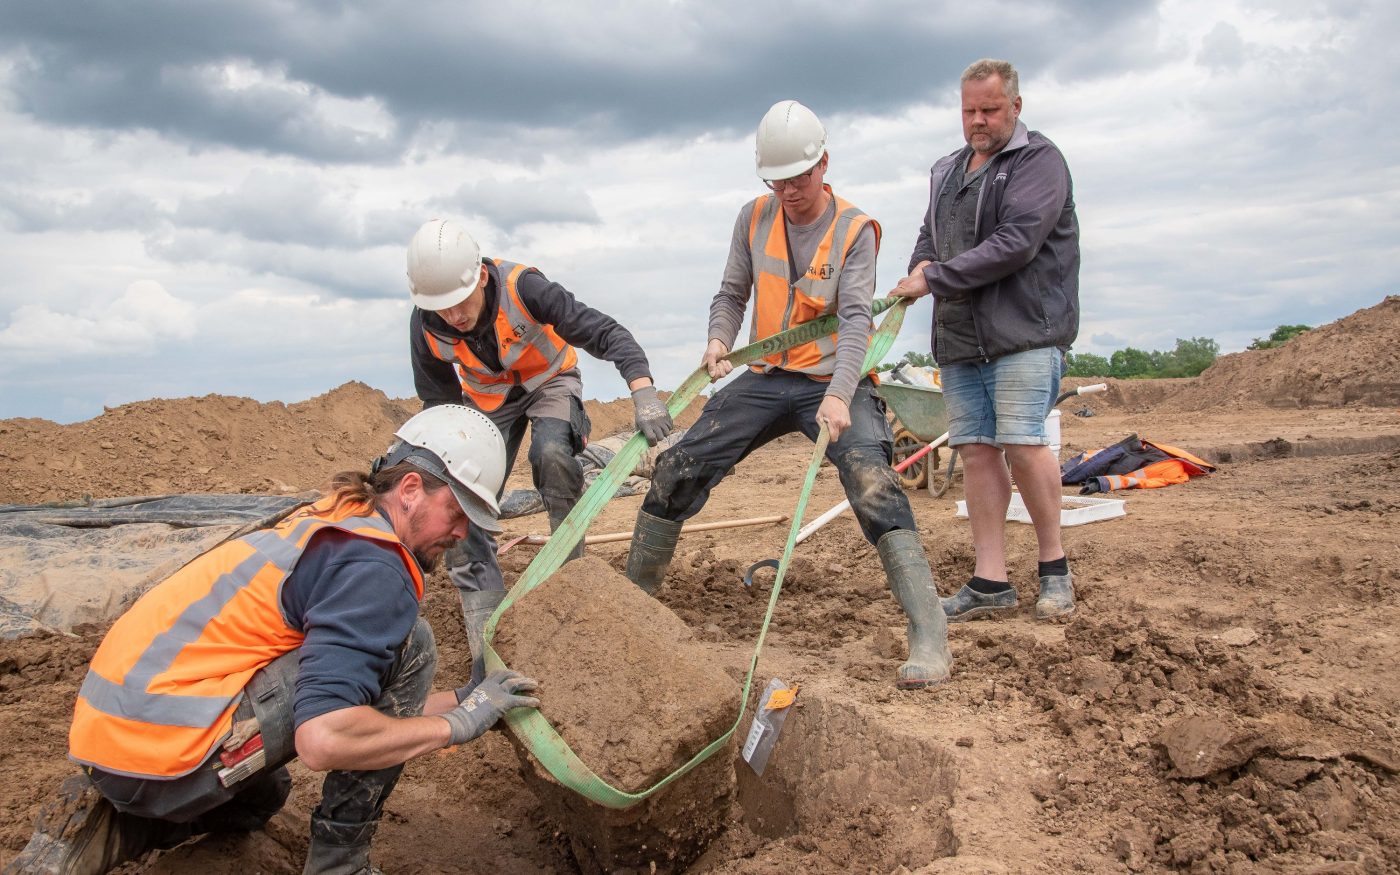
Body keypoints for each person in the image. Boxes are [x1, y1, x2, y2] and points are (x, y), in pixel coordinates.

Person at [5, 405, 541, 875]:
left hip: (118, 741)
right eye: (457, 512)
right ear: (409, 491)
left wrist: (466, 698)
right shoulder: (376, 569)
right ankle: (340, 866)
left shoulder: (335, 518)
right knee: (413, 643)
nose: (462, 533)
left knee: (261, 801)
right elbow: (324, 739)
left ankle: (112, 827)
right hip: (170, 749)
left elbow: (369, 702)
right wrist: (455, 725)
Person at [623, 100, 951, 690]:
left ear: (824, 163)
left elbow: (856, 322)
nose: (791, 191)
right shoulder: (753, 217)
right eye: (779, 180)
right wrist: (719, 340)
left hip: (832, 382)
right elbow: (730, 294)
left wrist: (839, 394)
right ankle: (632, 605)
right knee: (677, 466)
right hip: (767, 376)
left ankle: (928, 634)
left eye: (800, 177)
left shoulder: (855, 230)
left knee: (873, 482)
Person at [405, 218, 674, 684]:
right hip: (488, 403)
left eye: (460, 303)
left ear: (481, 278)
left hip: (550, 383)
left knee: (551, 455)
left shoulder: (524, 288)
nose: (453, 317)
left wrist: (644, 390)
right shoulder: (427, 325)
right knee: (458, 495)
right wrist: (446, 468)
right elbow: (440, 404)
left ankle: (570, 580)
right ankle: (483, 635)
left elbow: (605, 332)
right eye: (442, 308)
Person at [890, 58, 1081, 622]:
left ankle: (1055, 570)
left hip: (1024, 330)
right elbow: (931, 236)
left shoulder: (1038, 162)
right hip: (960, 336)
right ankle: (991, 581)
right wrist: (916, 273)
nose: (978, 121)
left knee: (1023, 443)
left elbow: (1016, 242)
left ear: (1015, 107)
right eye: (970, 110)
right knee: (975, 451)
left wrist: (936, 278)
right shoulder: (946, 170)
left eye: (990, 110)